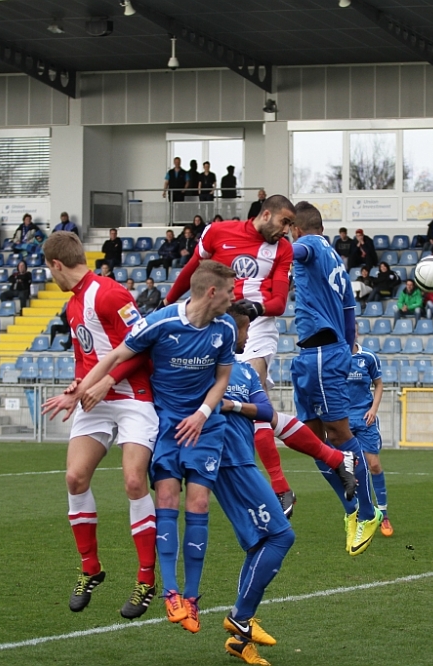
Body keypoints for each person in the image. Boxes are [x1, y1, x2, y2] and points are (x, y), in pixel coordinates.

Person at [64, 259, 236, 633]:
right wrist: (80, 389)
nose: (234, 297)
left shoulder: (225, 329)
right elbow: (118, 354)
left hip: (203, 424)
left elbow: (223, 378)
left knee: (199, 503)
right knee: (166, 497)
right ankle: (167, 591)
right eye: (229, 291)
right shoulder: (161, 321)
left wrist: (203, 414)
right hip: (168, 423)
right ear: (211, 292)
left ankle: (191, 597)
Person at [38, 232, 162, 620]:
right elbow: (85, 358)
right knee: (74, 478)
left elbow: (144, 347)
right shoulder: (73, 305)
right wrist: (78, 386)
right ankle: (90, 568)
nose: (51, 277)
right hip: (96, 401)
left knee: (134, 481)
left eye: (49, 271)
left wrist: (107, 381)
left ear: (57, 265)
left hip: (133, 397)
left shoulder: (109, 294)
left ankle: (146, 579)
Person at [164, 195, 305, 517]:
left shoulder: (282, 249)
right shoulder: (217, 232)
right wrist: (168, 303)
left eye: (290, 225)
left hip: (257, 327)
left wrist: (254, 308)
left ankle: (280, 487)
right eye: (284, 222)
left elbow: (279, 302)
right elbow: (191, 271)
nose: (286, 230)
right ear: (265, 214)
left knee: (249, 396)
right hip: (216, 323)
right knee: (230, 407)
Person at [290, 201, 382, 555]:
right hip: (317, 353)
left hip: (321, 351)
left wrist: (263, 246)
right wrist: (345, 350)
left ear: (296, 228)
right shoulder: (335, 261)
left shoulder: (308, 245)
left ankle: (368, 512)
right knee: (311, 440)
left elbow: (294, 251)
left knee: (339, 435)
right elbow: (348, 311)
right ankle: (352, 507)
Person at [217, 304, 296, 665]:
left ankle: (239, 637)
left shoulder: (247, 372)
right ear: (230, 330)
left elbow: (265, 411)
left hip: (243, 461)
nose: (248, 337)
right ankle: (241, 617)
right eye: (245, 329)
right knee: (281, 536)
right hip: (227, 464)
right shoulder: (206, 369)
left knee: (259, 542)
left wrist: (232, 405)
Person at [348, 341, 393, 537]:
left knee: (374, 465)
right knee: (351, 468)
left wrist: (373, 409)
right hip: (343, 420)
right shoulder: (335, 357)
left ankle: (383, 514)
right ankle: (363, 515)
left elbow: (379, 384)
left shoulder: (368, 356)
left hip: (365, 418)